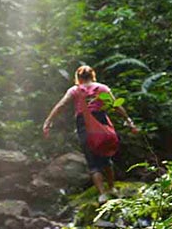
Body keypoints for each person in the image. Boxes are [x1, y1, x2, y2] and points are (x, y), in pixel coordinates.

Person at [42, 65, 138, 203]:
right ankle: (112, 188)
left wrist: (48, 121)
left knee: (92, 161)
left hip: (84, 125)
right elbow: (116, 105)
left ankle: (102, 194)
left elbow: (61, 105)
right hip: (101, 122)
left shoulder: (75, 90)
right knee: (106, 156)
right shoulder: (102, 88)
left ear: (78, 77)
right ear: (92, 75)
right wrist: (129, 121)